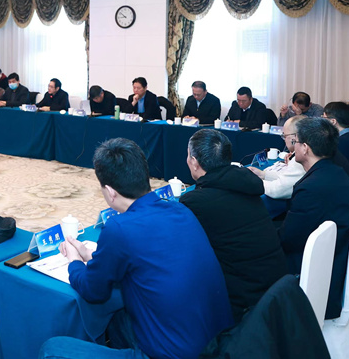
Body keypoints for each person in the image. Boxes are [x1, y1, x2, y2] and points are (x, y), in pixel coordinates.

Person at [39, 138, 232, 359]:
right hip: (217, 345)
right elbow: (147, 258)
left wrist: (74, 260)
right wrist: (91, 255)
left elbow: (92, 290)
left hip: (172, 354)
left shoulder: (120, 228)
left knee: (52, 349)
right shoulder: (180, 210)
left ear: (110, 192)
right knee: (118, 317)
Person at [181, 129, 288, 321]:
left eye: (188, 156)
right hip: (276, 286)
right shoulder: (245, 182)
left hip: (244, 302)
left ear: (194, 162)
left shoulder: (196, 201)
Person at [278, 117, 349, 319]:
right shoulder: (336, 172)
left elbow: (288, 240)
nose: (293, 147)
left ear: (305, 148)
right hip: (336, 255)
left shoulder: (311, 187)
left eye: (296, 142)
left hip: (319, 271)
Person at [249, 115, 307, 200]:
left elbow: (279, 190)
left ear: (295, 137)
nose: (284, 140)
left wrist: (253, 181)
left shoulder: (300, 158)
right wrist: (263, 175)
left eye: (285, 136)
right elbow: (290, 178)